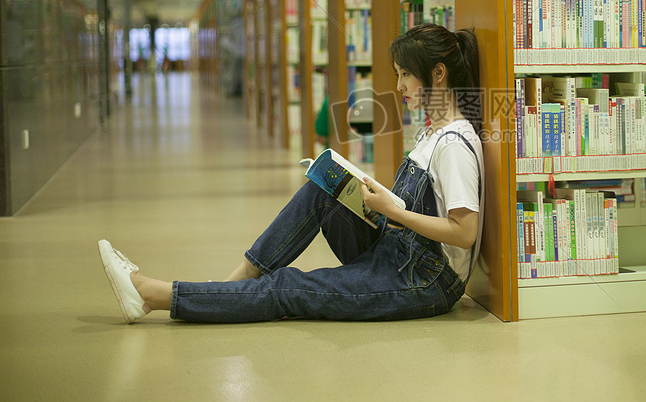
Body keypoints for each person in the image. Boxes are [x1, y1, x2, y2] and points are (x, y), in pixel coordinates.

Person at [98, 23, 484, 323]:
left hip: (423, 280)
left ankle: (156, 295)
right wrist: (368, 197)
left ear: (437, 75)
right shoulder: (434, 131)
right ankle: (237, 281)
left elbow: (464, 233)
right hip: (398, 253)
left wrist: (392, 210)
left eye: (405, 75)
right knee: (322, 191)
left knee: (288, 287)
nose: (398, 86)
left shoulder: (453, 144)